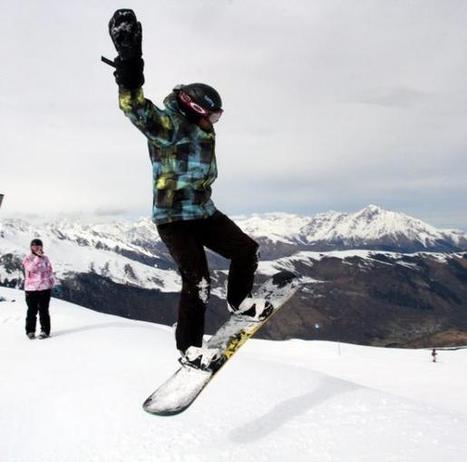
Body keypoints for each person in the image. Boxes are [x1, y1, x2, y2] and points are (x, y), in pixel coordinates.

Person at [105, 9, 269, 366]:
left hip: (203, 210)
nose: (215, 122)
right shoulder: (167, 126)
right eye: (213, 115)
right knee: (197, 280)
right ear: (195, 108)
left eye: (218, 116)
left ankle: (238, 301)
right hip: (174, 217)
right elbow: (134, 107)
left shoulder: (200, 126)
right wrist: (130, 67)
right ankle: (188, 348)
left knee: (246, 251)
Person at [22, 239, 55, 339]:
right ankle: (30, 331)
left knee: (44, 310)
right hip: (31, 289)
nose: (36, 247)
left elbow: (49, 270)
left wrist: (51, 282)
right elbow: (31, 268)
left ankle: (45, 331)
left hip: (45, 288)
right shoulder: (27, 258)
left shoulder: (46, 258)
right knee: (32, 311)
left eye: (39, 246)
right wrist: (37, 258)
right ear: (31, 247)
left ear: (42, 247)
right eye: (34, 246)